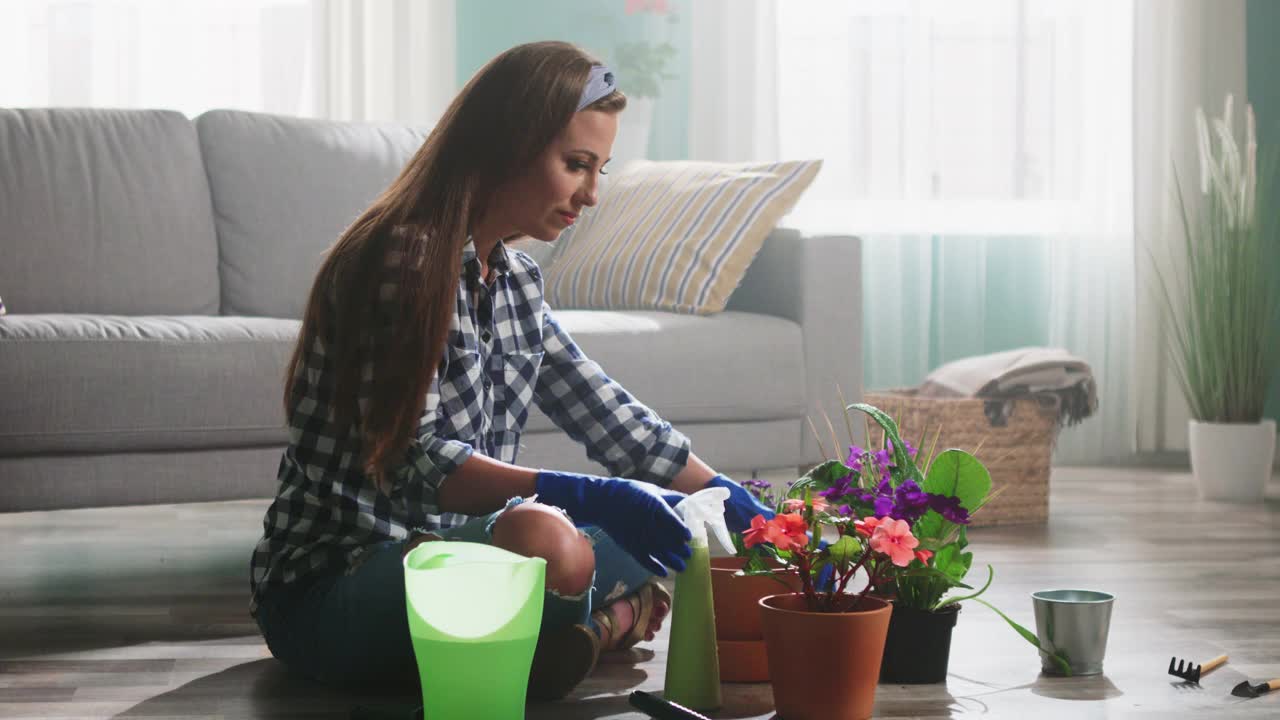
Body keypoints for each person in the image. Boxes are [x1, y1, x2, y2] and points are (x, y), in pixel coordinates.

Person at [248, 40, 774, 701]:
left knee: (673, 529)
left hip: (461, 559)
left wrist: (722, 498)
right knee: (553, 541)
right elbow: (415, 465)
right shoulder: (401, 260)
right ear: (508, 144)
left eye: (599, 170)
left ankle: (575, 626)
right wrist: (594, 496)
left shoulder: (516, 281)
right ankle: (613, 618)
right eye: (575, 165)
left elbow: (606, 413)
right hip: (337, 588)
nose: (590, 195)